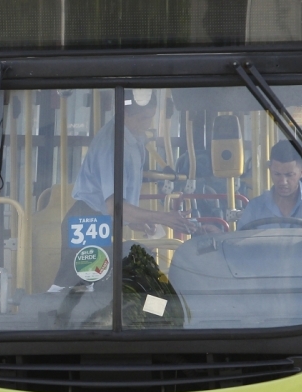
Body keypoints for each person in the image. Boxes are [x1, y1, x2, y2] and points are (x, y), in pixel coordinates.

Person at [51, 90, 199, 290]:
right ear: (125, 114)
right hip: (88, 222)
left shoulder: (133, 138)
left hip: (101, 221)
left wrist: (137, 220)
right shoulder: (112, 144)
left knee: (93, 289)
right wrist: (163, 217)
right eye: (143, 118)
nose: (147, 123)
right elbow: (114, 206)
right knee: (75, 289)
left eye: (151, 117)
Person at [236, 140, 302, 232]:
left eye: (289, 175)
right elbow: (239, 240)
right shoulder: (255, 206)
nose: (283, 181)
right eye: (277, 174)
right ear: (270, 170)